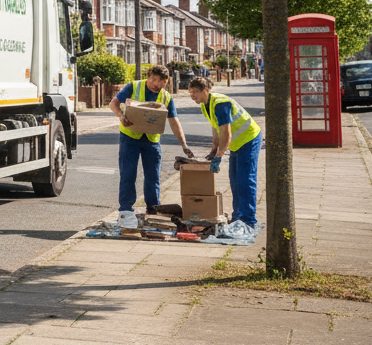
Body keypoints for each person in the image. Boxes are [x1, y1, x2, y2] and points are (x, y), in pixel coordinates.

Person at [109, 64, 195, 225]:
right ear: (148, 77)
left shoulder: (166, 97)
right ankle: (126, 210)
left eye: (161, 81)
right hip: (130, 137)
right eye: (154, 79)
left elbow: (174, 121)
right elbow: (113, 103)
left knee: (153, 177)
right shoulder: (133, 87)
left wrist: (184, 145)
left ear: (166, 81)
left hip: (152, 141)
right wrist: (121, 117)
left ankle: (152, 208)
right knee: (128, 174)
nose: (157, 83)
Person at [187, 76, 262, 227]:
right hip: (236, 144)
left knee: (245, 181)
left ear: (206, 91)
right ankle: (238, 216)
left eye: (195, 92)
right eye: (190, 92)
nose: (192, 95)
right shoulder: (205, 105)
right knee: (235, 181)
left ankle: (248, 220)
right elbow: (215, 128)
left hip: (248, 140)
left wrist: (219, 157)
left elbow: (226, 135)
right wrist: (214, 148)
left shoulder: (221, 104)